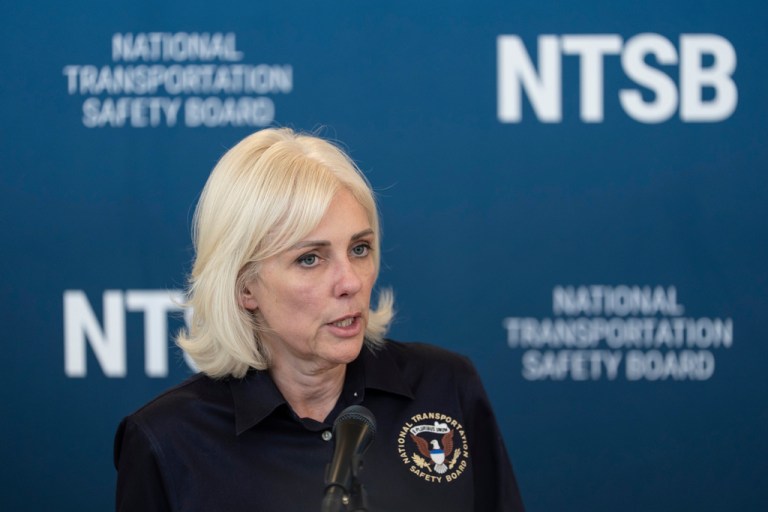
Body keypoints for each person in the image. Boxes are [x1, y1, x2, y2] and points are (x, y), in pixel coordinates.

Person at [114, 128, 525, 511]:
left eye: (360, 249)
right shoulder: (168, 440)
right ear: (244, 287)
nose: (349, 281)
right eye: (310, 258)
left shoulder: (446, 386)